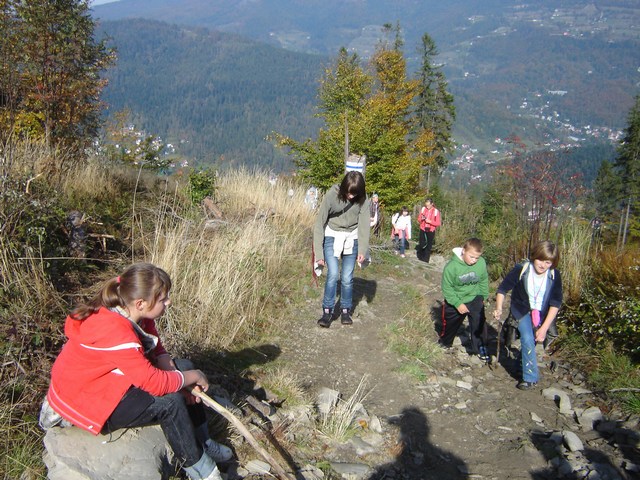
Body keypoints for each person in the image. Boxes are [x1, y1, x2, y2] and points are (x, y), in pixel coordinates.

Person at [43, 263, 232, 480]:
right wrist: (193, 377)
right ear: (141, 303)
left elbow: (157, 349)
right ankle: (203, 470)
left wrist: (178, 376)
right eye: (163, 299)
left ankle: (203, 442)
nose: (168, 302)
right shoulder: (116, 332)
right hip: (89, 398)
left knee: (185, 368)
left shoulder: (134, 313)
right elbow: (155, 384)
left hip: (107, 380)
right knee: (170, 403)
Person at [493, 240, 563, 390]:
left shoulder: (554, 275)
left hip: (542, 314)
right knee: (527, 338)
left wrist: (544, 328)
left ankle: (521, 365)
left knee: (533, 340)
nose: (543, 265)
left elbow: (555, 303)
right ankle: (530, 377)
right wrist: (499, 307)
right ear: (534, 256)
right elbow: (502, 289)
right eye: (540, 260)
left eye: (548, 262)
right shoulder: (522, 269)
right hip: (522, 310)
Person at [313, 171, 370, 328]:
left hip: (352, 238)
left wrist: (362, 250)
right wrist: (319, 253)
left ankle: (345, 310)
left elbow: (364, 225)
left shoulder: (363, 199)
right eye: (349, 192)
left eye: (354, 194)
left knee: (346, 277)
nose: (351, 196)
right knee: (332, 274)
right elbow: (319, 223)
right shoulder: (332, 195)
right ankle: (327, 312)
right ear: (344, 187)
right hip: (332, 235)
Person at [439, 238, 489, 360]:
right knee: (450, 324)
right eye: (471, 257)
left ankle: (480, 348)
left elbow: (483, 279)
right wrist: (458, 303)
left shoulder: (481, 263)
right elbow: (447, 288)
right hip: (456, 298)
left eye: (477, 258)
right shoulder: (451, 267)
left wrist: (483, 296)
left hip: (474, 296)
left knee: (479, 323)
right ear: (463, 251)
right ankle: (445, 343)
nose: (474, 260)